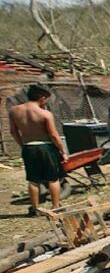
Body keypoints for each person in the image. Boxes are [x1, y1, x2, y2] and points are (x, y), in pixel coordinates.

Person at [8, 84, 66, 215]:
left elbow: (13, 131)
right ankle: (56, 206)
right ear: (42, 97)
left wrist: (22, 145)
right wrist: (62, 150)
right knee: (53, 178)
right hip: (46, 147)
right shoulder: (45, 114)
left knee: (33, 179)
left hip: (28, 147)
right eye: (46, 100)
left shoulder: (14, 111)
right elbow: (53, 135)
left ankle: (35, 208)